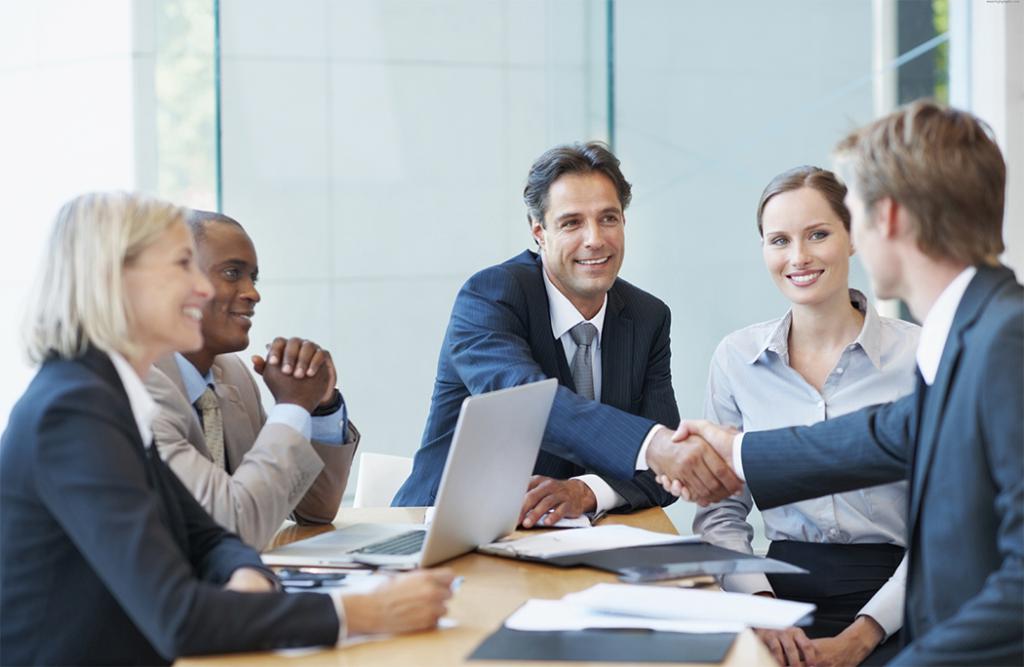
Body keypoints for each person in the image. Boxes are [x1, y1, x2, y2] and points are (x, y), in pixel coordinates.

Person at [0, 192, 453, 665]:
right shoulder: (74, 412)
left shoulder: (107, 396)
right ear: (116, 280)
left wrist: (246, 575)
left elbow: (211, 538)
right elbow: (178, 616)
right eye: (182, 265)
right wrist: (362, 611)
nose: (200, 289)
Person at [669, 102, 1023, 665]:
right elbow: (881, 438)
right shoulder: (970, 335)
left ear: (884, 219)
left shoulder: (1004, 343)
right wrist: (733, 450)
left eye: (849, 212)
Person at [393, 141, 742, 524]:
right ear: (539, 232)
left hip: (569, 542)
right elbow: (525, 404)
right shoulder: (491, 296)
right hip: (444, 529)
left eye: (608, 218)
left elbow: (661, 476)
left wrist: (586, 491)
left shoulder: (648, 317)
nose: (594, 239)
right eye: (572, 222)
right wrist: (654, 445)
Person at [693, 166, 919, 666]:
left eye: (818, 234)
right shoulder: (736, 358)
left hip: (901, 595)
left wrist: (864, 635)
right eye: (779, 240)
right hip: (776, 589)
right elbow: (720, 512)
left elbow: (944, 524)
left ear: (853, 236)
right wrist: (759, 605)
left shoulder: (920, 356)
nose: (798, 257)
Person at [145, 210, 357, 551]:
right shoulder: (141, 388)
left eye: (253, 279)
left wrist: (318, 407)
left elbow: (314, 510)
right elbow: (225, 529)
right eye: (232, 273)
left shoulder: (234, 375)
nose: (252, 294)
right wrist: (290, 407)